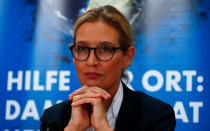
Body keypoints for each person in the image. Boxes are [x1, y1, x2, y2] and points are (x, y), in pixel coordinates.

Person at [40, 5, 176, 131]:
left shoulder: (156, 115)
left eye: (105, 49)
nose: (91, 61)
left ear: (127, 57)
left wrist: (103, 128)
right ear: (74, 57)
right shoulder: (54, 118)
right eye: (82, 48)